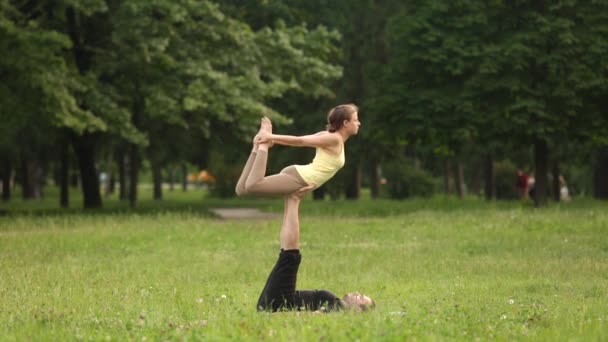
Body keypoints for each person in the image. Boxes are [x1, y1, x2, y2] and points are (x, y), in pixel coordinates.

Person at [257, 189, 375, 312]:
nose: (357, 293)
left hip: (278, 307)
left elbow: (315, 315)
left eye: (361, 298)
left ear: (358, 310)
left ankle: (293, 200)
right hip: (276, 304)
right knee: (288, 255)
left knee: (290, 256)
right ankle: (290, 199)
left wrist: (284, 316)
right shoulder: (336, 303)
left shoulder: (339, 308)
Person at [236, 104, 360, 197]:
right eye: (355, 120)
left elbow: (299, 140)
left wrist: (272, 138)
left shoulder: (329, 137)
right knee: (252, 186)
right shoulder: (334, 138)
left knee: (241, 190)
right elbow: (300, 141)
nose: (358, 123)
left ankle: (256, 147)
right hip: (301, 178)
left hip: (299, 175)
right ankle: (262, 145)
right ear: (345, 123)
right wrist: (269, 137)